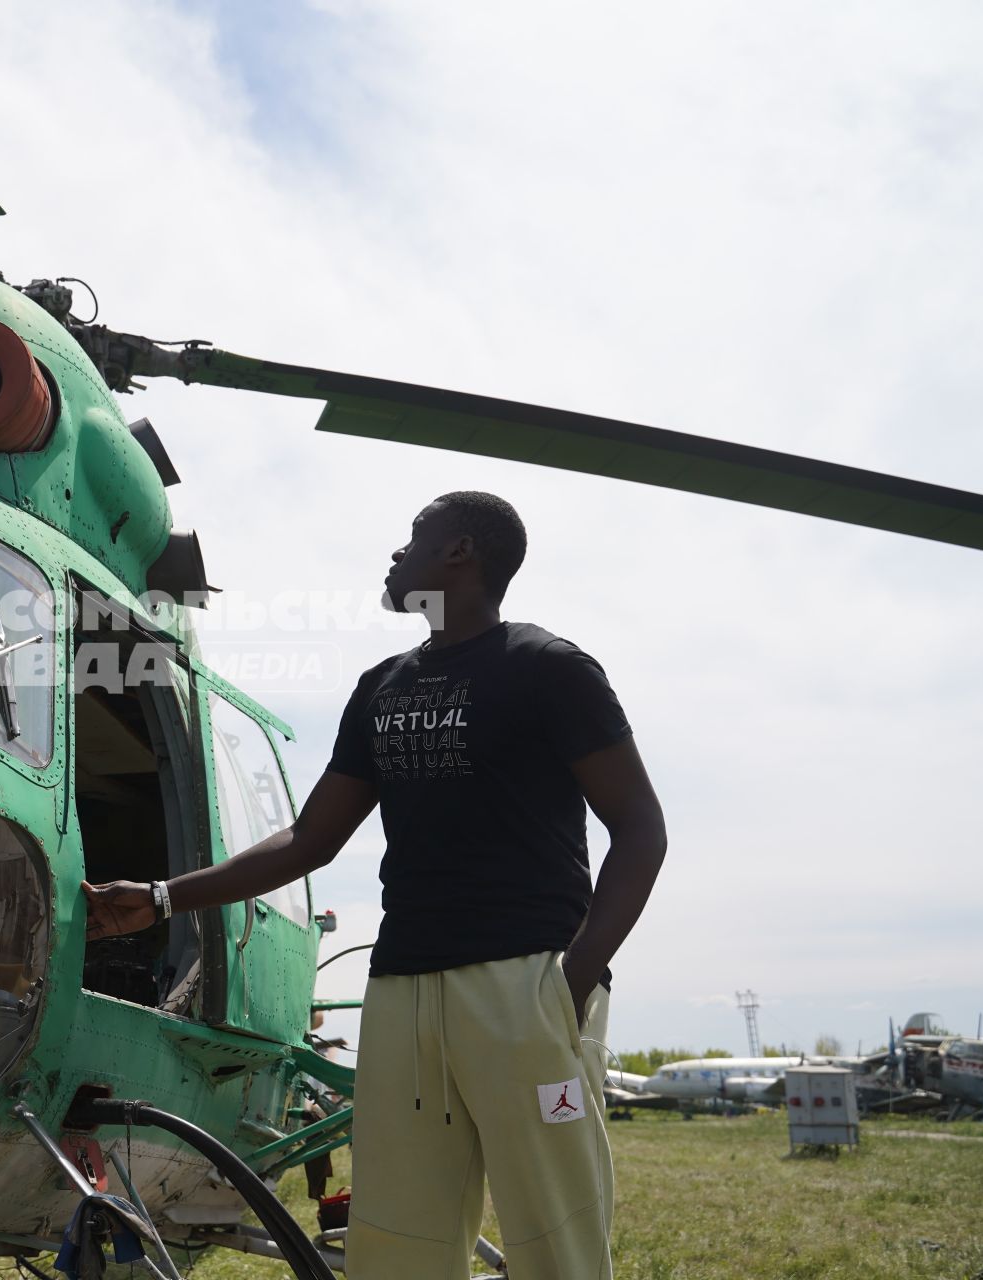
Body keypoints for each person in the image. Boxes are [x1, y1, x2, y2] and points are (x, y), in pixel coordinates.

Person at [82, 491, 667, 1280]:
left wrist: (573, 975)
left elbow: (640, 826)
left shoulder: (548, 669)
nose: (397, 556)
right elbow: (310, 840)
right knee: (397, 1241)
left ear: (459, 551)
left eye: (413, 539)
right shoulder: (381, 686)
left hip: (524, 984)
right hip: (401, 991)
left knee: (553, 1232)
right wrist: (159, 897)